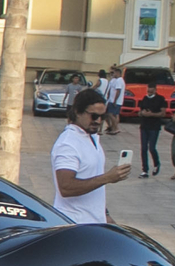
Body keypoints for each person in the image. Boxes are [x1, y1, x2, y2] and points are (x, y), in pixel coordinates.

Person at [52, 87, 127, 225]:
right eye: (93, 116)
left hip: (95, 222)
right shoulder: (68, 144)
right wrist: (107, 178)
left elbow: (92, 177)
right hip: (74, 224)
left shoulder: (92, 137)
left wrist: (105, 214)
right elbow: (66, 187)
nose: (98, 121)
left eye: (102, 116)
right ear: (78, 112)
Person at [137, 85, 169, 178]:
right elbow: (140, 111)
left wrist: (152, 114)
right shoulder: (144, 98)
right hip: (144, 126)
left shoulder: (160, 99)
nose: (149, 93)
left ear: (155, 90)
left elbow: (163, 113)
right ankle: (145, 170)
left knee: (152, 147)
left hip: (154, 126)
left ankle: (156, 163)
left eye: (151, 91)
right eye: (148, 91)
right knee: (143, 148)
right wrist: (142, 113)